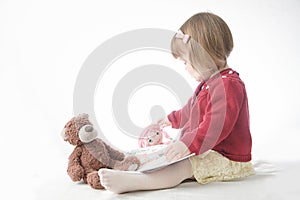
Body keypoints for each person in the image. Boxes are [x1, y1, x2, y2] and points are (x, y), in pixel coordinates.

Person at [99, 12, 255, 194]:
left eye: (186, 63)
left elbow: (215, 127)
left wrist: (187, 143)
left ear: (203, 57)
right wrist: (171, 119)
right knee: (171, 154)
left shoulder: (229, 86)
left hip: (227, 158)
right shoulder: (209, 84)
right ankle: (132, 166)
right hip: (208, 150)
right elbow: (191, 110)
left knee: (183, 167)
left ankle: (136, 183)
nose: (186, 69)